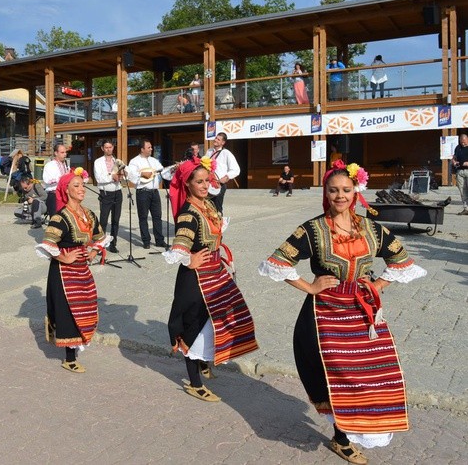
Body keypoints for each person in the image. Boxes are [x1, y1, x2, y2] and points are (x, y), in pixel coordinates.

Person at [258, 159, 426, 464]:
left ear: (356, 190)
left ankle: (351, 431)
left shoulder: (371, 228)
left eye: (346, 190)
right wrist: (310, 287)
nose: (339, 196)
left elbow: (401, 260)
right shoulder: (313, 229)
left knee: (370, 374)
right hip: (325, 313)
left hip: (363, 311)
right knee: (339, 376)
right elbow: (278, 261)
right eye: (333, 190)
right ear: (326, 192)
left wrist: (378, 285)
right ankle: (342, 438)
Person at [165, 157, 258, 402]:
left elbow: (213, 238)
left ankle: (204, 363)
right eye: (199, 182)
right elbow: (180, 245)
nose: (205, 185)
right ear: (188, 184)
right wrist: (189, 260)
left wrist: (219, 257)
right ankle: (194, 383)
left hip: (215, 271)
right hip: (196, 278)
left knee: (215, 319)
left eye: (207, 180)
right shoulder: (188, 213)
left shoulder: (209, 206)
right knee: (194, 326)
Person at [35, 167, 110, 373]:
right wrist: (64, 256)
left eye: (82, 185)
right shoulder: (60, 217)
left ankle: (74, 349)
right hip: (64, 272)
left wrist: (94, 251)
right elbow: (47, 244)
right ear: (66, 190)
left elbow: (100, 238)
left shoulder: (89, 214)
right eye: (76, 186)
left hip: (82, 270)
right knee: (69, 312)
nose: (82, 189)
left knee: (85, 306)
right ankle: (69, 358)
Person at [128, 139, 167, 249]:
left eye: (151, 147)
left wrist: (173, 169)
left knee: (157, 216)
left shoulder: (154, 160)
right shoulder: (134, 161)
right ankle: (146, 241)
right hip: (143, 192)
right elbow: (131, 176)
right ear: (142, 149)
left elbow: (162, 171)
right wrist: (142, 175)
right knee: (143, 217)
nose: (151, 149)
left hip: (154, 192)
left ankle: (159, 240)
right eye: (149, 147)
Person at [93, 139, 123, 253]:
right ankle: (101, 245)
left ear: (113, 148)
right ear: (102, 149)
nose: (108, 149)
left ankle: (113, 244)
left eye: (110, 147)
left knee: (116, 220)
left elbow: (124, 175)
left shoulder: (118, 161)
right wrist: (111, 177)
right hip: (106, 193)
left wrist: (124, 175)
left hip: (117, 192)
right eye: (106, 147)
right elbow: (99, 178)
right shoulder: (98, 162)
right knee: (104, 220)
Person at [204, 132, 240, 213]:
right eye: (216, 138)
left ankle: (219, 225)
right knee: (207, 208)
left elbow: (236, 169)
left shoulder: (226, 153)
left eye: (218, 139)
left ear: (223, 143)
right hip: (208, 183)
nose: (215, 140)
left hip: (219, 184)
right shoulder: (209, 151)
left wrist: (226, 177)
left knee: (217, 209)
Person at [42, 143, 69, 219]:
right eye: (62, 152)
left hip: (64, 194)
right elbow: (47, 180)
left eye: (65, 152)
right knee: (55, 219)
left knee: (65, 219)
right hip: (54, 195)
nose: (65, 155)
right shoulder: (50, 165)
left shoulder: (65, 164)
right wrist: (63, 178)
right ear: (56, 153)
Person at [453, 133, 468, 215]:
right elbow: (454, 157)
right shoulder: (458, 147)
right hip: (460, 172)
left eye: (465, 142)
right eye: (462, 142)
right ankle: (466, 208)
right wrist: (454, 162)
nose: (463, 143)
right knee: (462, 190)